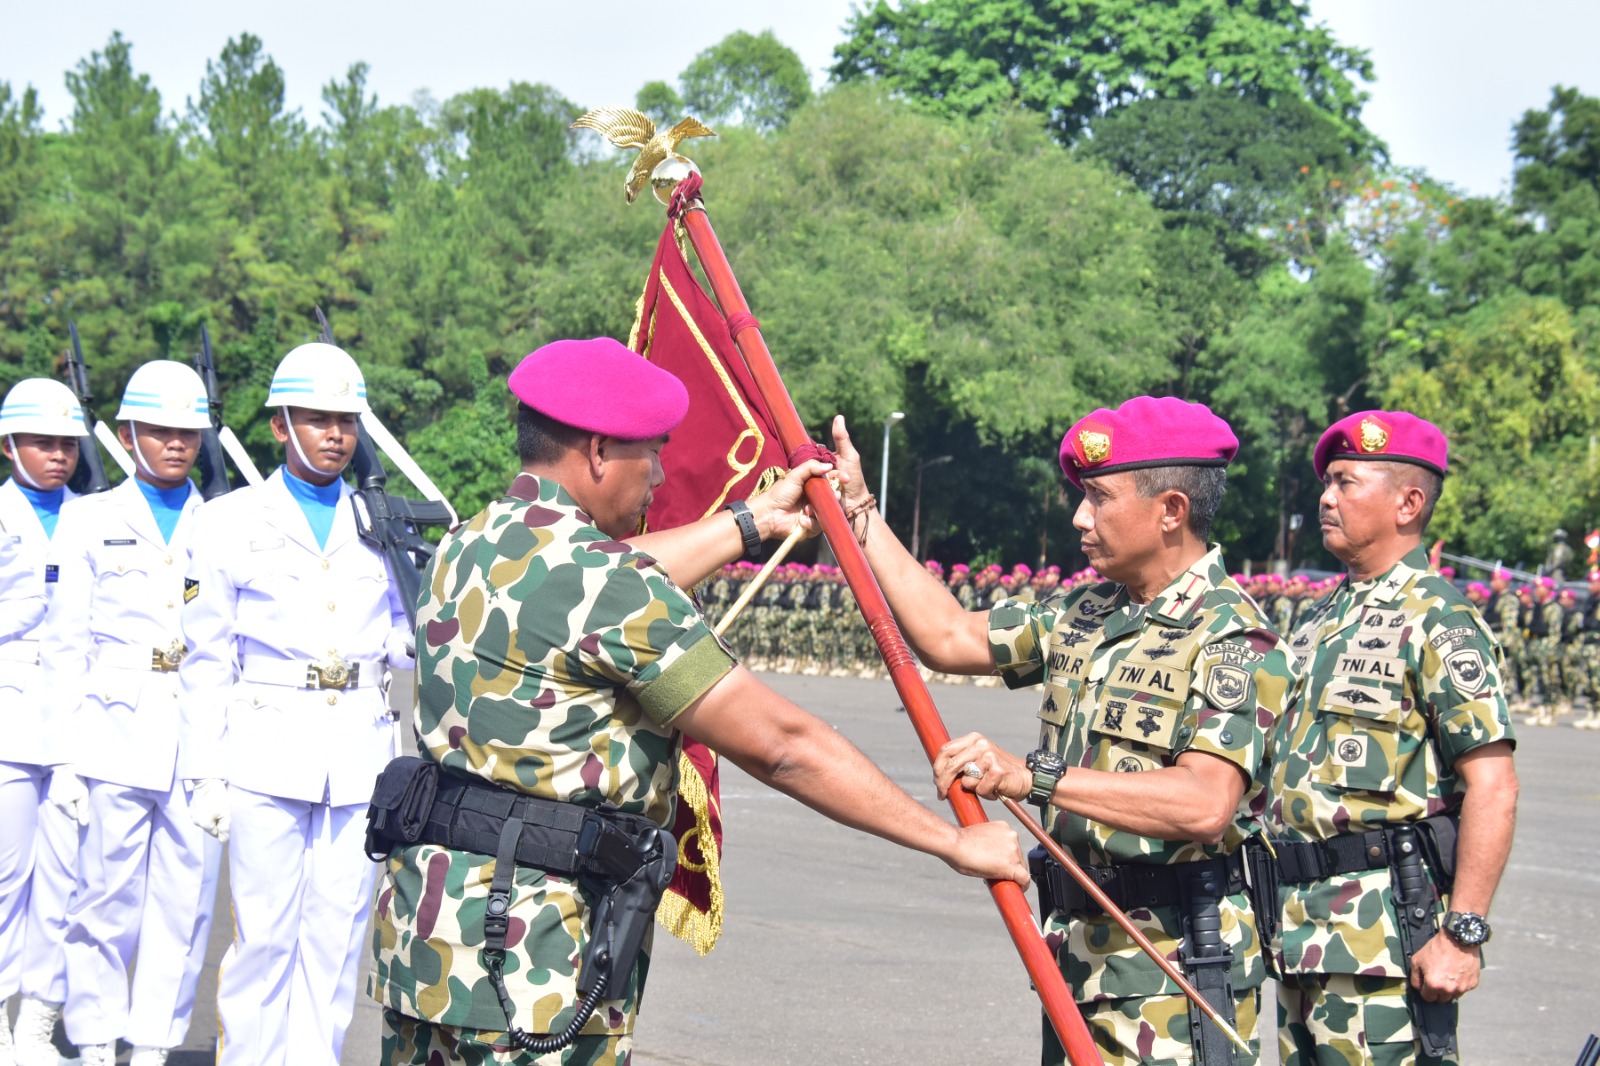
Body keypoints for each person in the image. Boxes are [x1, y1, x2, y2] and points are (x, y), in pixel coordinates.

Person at [367, 338, 1026, 1066]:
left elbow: (607, 573)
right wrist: (951, 842)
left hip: (426, 951)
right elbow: (782, 747)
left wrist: (753, 521)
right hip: (534, 969)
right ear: (597, 451)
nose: (658, 474)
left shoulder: (468, 544)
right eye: (651, 453)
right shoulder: (608, 586)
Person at [831, 396, 1298, 1066]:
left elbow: (1204, 803)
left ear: (1171, 510)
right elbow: (947, 635)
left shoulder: (1231, 635)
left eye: (1099, 498)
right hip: (1078, 958)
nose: (1080, 516)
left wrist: (1034, 776)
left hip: (1175, 972)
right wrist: (861, 513)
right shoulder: (1087, 611)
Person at [177, 342, 414, 1066]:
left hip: (360, 752)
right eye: (317, 419)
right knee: (265, 939)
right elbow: (207, 658)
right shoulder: (228, 521)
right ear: (280, 425)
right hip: (266, 749)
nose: (335, 435)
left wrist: (426, 633)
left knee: (336, 939)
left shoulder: (380, 519)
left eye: (346, 421)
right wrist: (204, 772)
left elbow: (400, 634)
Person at [1269, 410, 1519, 1065]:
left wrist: (1463, 934)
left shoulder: (1440, 620)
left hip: (1383, 944)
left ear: (1407, 504)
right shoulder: (1318, 619)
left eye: (1346, 483)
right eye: (1327, 483)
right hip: (1299, 934)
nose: (1326, 498)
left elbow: (1493, 784)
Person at [41, 362, 222, 1066]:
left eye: (188, 433)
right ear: (126, 435)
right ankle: (93, 1039)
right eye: (159, 430)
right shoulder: (89, 519)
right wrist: (64, 758)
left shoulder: (222, 522)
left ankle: (152, 1043)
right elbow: (64, 646)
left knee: (185, 901)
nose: (176, 443)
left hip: (196, 734)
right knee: (103, 896)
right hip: (112, 730)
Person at [0, 378, 91, 1066]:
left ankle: (37, 1025)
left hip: (81, 720)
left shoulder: (94, 516)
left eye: (67, 444)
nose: (58, 455)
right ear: (8, 446)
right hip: (9, 712)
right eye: (42, 442)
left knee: (67, 880)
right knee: (6, 879)